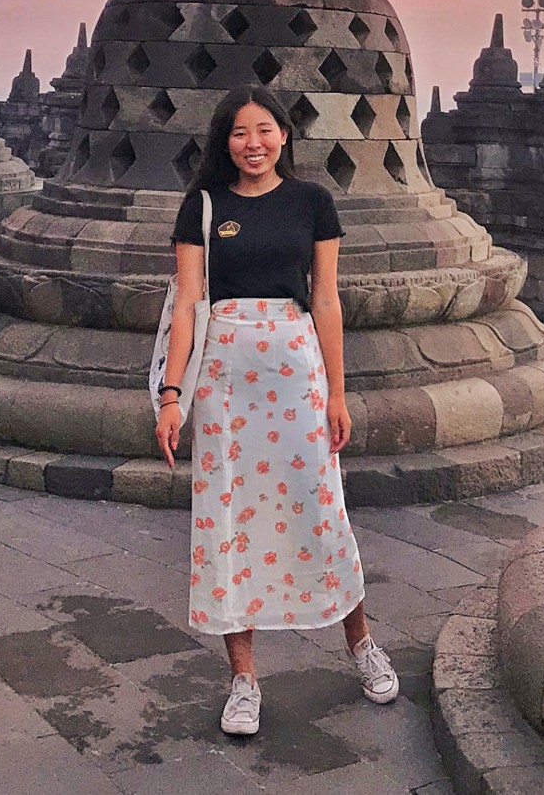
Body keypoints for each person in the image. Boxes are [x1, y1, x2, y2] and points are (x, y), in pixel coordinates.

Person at [155, 85, 398, 736]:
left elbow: (326, 301)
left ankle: (361, 645)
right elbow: (186, 306)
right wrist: (172, 395)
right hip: (224, 381)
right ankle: (242, 679)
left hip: (294, 376)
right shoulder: (203, 207)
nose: (252, 143)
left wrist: (338, 392)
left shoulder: (311, 202)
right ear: (224, 142)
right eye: (239, 133)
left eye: (263, 130)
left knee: (320, 509)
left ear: (283, 136)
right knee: (226, 519)